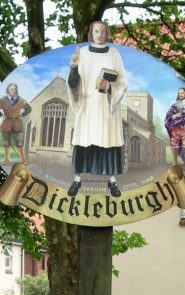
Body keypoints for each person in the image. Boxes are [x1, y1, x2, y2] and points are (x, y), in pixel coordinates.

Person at [66, 20, 127, 197]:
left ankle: (112, 181)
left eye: (102, 32)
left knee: (108, 140)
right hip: (88, 106)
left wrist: (107, 86)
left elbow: (122, 82)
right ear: (91, 34)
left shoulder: (114, 53)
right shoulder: (82, 53)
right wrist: (74, 67)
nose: (99, 35)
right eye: (96, 32)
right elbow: (73, 83)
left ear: (107, 33)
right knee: (84, 139)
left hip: (106, 106)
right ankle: (77, 180)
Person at [0, 83, 31, 165]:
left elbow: (29, 109)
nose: (14, 91)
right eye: (12, 89)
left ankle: (23, 159)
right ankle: (6, 159)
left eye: (15, 89)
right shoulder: (2, 100)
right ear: (8, 90)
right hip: (6, 123)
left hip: (17, 123)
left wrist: (22, 115)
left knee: (19, 142)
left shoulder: (21, 100)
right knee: (5, 142)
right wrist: (1, 115)